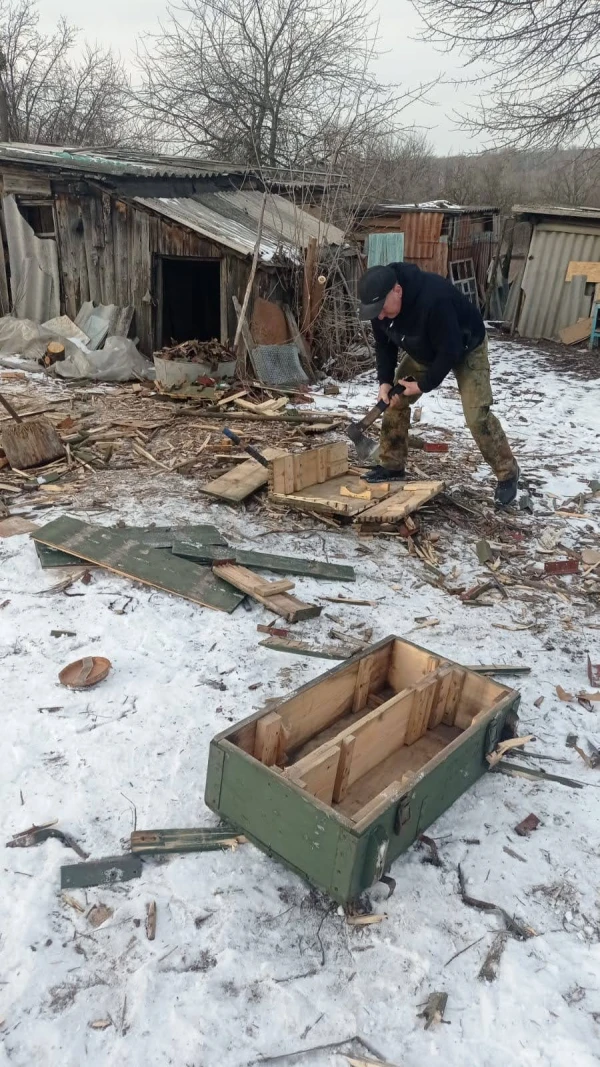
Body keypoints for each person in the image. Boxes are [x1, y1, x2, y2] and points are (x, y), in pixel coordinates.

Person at [357, 261, 519, 506]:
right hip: (424, 350)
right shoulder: (379, 308)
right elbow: (384, 345)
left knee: (477, 416)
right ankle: (392, 465)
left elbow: (451, 350)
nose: (379, 316)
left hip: (465, 347)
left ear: (398, 291)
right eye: (374, 311)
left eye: (381, 309)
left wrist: (423, 385)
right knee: (394, 402)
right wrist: (384, 382)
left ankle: (508, 473)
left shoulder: (434, 300)